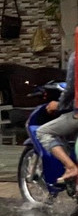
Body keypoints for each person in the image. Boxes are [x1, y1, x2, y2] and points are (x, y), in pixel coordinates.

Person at [37, 32, 77, 183]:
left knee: (43, 132)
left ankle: (70, 167)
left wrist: (59, 105)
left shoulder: (76, 57)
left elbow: (71, 89)